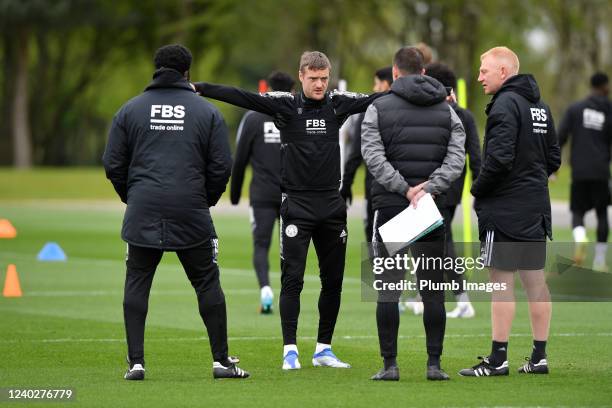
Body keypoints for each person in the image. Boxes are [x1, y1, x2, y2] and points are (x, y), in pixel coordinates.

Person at [194, 51, 383, 370]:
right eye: (314, 79)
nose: (320, 84)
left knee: (333, 281)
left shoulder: (337, 104)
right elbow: (243, 97)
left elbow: (378, 98)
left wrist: (424, 85)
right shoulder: (286, 104)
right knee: (292, 280)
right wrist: (200, 87)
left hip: (332, 207)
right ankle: (290, 349)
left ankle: (324, 348)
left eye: (324, 78)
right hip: (297, 207)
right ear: (301, 76)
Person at [102, 44, 249, 380]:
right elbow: (221, 165)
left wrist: (133, 195)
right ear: (187, 73)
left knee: (137, 282)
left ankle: (136, 363)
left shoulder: (129, 110)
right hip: (191, 209)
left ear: (156, 70)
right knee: (207, 282)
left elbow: (113, 163)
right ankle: (221, 362)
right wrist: (205, 199)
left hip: (143, 208)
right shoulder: (207, 112)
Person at [362, 46, 466, 381]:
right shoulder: (447, 111)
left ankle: (390, 365)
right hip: (430, 206)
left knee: (388, 289)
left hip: (391, 206)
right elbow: (457, 157)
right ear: (424, 73)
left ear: (394, 73)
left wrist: (403, 188)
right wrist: (429, 188)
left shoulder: (377, 106)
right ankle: (434, 364)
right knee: (433, 288)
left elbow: (372, 154)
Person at [459, 46, 560, 377]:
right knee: (535, 283)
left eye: (484, 70)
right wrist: (529, 180)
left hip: (503, 210)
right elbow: (554, 159)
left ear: (503, 72)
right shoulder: (541, 107)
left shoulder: (504, 104)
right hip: (535, 208)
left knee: (500, 283)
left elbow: (499, 160)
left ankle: (498, 359)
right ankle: (539, 357)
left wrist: (477, 189)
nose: (479, 77)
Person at [230, 71, 296, 313]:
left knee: (261, 245)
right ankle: (288, 295)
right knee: (289, 248)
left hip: (261, 195)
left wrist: (235, 195)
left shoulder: (253, 118)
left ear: (267, 88)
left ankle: (265, 288)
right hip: (292, 195)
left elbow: (239, 160)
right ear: (292, 91)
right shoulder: (295, 116)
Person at [425, 62, 482, 318]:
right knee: (433, 241)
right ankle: (433, 295)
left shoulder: (436, 113)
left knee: (443, 243)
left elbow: (475, 157)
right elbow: (476, 158)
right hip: (449, 190)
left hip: (437, 189)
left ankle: (462, 300)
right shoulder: (465, 115)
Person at [558, 72, 611, 271]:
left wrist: (553, 167)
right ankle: (599, 260)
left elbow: (560, 136)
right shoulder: (609, 110)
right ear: (604, 87)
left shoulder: (575, 109)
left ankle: (580, 237)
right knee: (602, 212)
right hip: (600, 171)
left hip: (579, 170)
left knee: (577, 210)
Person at [340, 66, 393, 242]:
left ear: (385, 84)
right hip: (409, 191)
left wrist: (346, 184)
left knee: (376, 243)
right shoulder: (415, 109)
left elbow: (356, 152)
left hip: (377, 190)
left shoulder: (371, 110)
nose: (374, 88)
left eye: (376, 84)